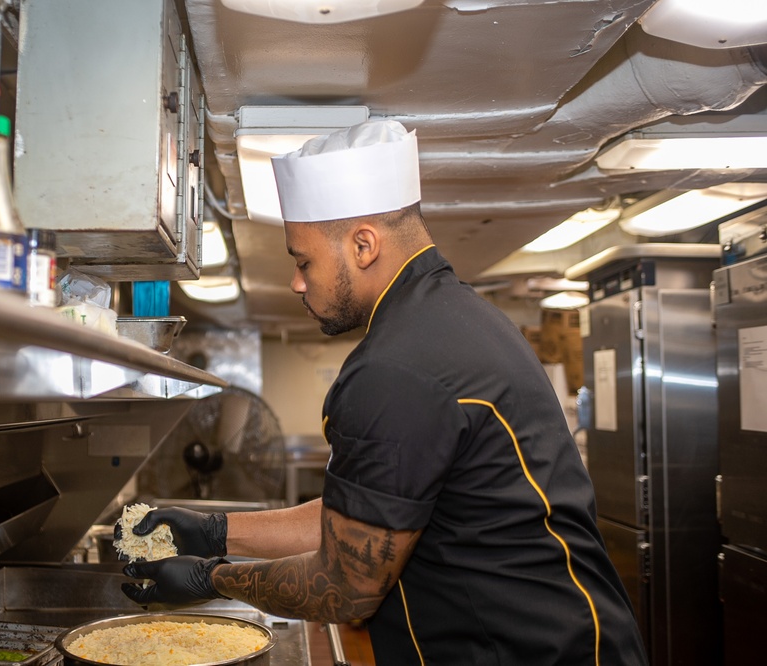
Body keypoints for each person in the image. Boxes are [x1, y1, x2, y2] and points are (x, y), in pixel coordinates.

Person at [121, 119, 648, 665]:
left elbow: (346, 584)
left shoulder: (393, 368)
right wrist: (214, 531)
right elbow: (361, 522)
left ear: (364, 244)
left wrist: (214, 578)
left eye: (303, 261)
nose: (298, 283)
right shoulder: (454, 319)